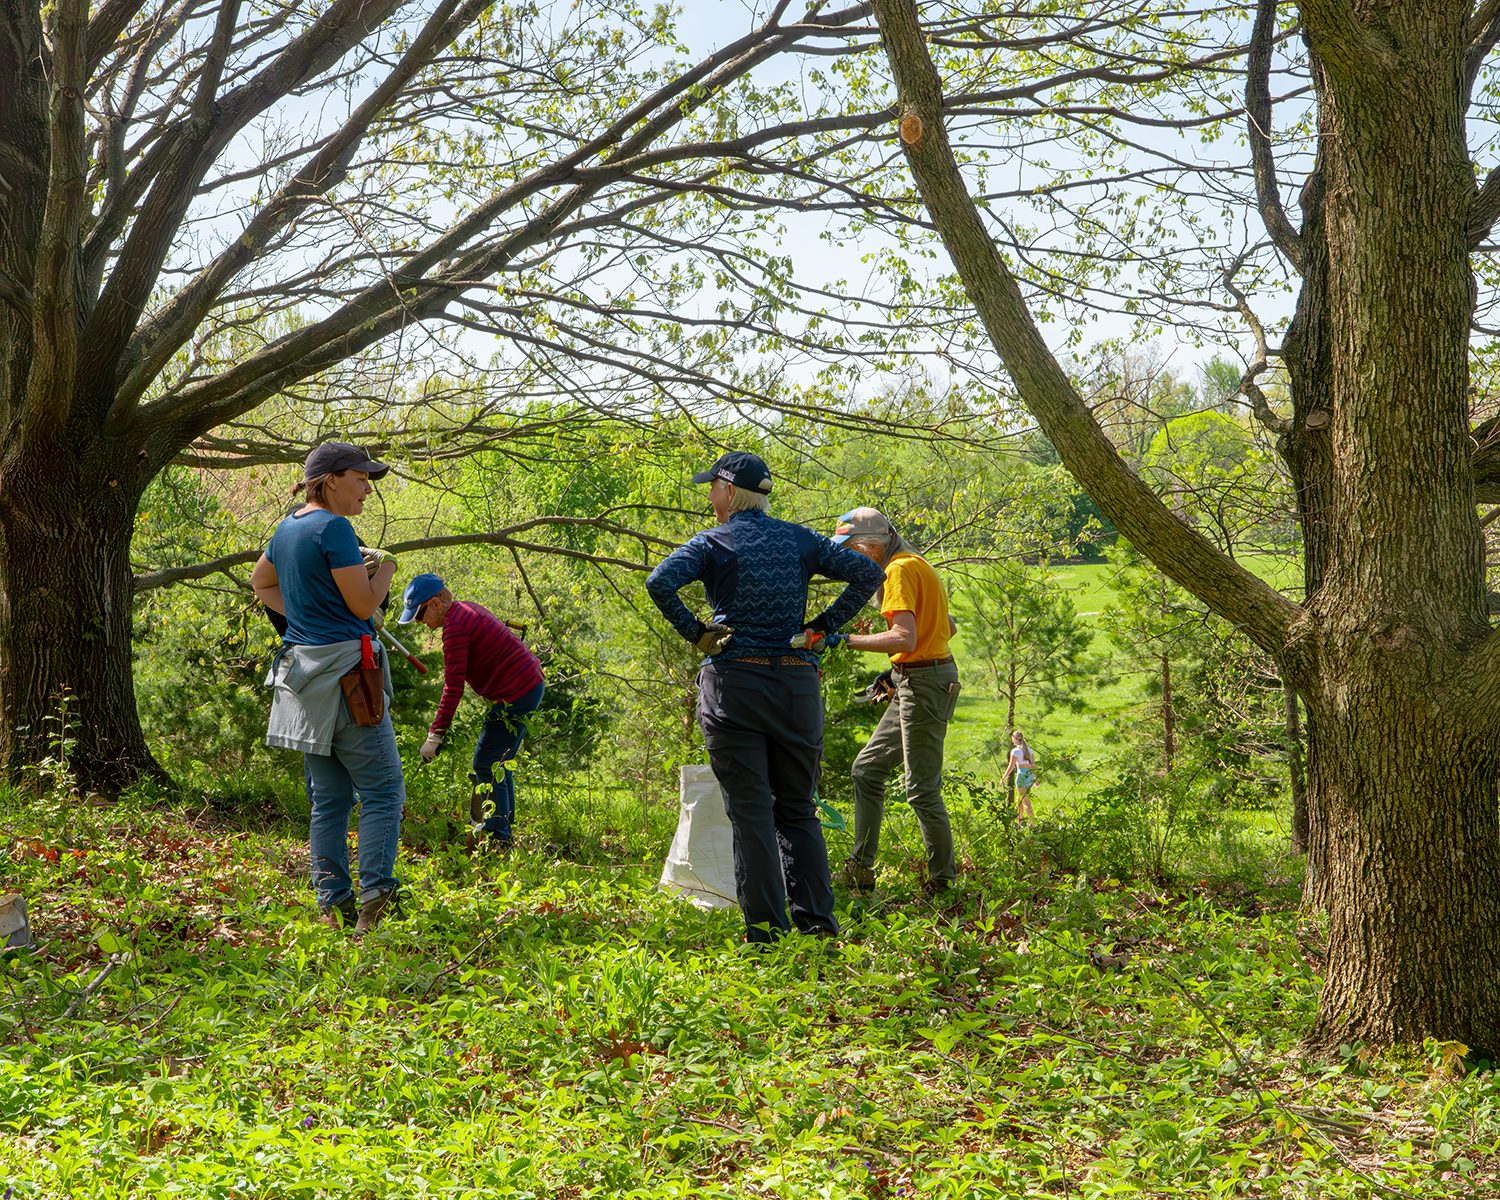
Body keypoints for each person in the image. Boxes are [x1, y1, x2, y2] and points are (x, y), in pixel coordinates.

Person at [645, 451, 884, 944]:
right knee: (797, 809)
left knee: (751, 813)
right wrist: (822, 627)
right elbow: (868, 574)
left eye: (713, 487)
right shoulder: (801, 539)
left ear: (730, 492)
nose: (710, 496)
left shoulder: (713, 541)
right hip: (796, 685)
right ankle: (818, 928)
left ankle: (767, 937)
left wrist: (697, 632)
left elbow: (660, 581)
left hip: (735, 688)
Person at [250, 442, 406, 934]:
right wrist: (386, 569)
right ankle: (376, 899)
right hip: (349, 679)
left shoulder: (288, 527)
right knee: (383, 792)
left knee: (330, 799)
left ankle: (332, 902)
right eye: (361, 479)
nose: (367, 489)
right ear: (332, 479)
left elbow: (261, 583)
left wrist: (304, 618)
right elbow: (364, 607)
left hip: (301, 680)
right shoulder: (335, 528)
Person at [832, 507, 962, 894]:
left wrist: (843, 640)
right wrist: (895, 674)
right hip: (916, 678)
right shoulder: (914, 562)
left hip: (925, 683)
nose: (847, 556)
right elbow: (947, 628)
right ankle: (861, 868)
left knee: (921, 789)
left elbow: (904, 637)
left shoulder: (898, 571)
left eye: (851, 548)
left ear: (873, 546)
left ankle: (944, 886)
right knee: (867, 770)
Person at [399, 574, 546, 846]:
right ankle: (503, 832)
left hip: (517, 691)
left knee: (486, 762)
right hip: (527, 685)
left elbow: (453, 688)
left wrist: (435, 735)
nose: (421, 623)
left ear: (434, 603)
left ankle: (497, 840)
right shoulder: (465, 609)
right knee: (497, 762)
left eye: (420, 615)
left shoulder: (455, 626)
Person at [1000, 729, 1037, 821]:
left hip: (1021, 776)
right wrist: (1036, 779)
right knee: (1019, 800)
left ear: (1015, 739)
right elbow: (1033, 765)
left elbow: (1011, 767)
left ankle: (1033, 824)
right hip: (1029, 776)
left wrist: (1003, 778)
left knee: (1026, 802)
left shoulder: (1015, 751)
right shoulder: (1029, 750)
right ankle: (1019, 822)